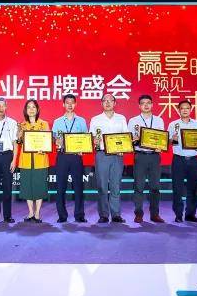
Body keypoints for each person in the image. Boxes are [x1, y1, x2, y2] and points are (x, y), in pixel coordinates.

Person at [89, 93, 128, 223]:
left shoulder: (121, 118)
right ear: (101, 103)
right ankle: (104, 215)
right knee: (102, 186)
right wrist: (94, 140)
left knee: (116, 185)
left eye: (110, 100)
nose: (107, 103)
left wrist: (123, 148)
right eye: (105, 100)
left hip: (117, 155)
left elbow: (125, 136)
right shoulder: (95, 119)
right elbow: (91, 137)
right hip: (102, 155)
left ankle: (116, 214)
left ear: (114, 103)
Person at [127, 94, 166, 223]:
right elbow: (129, 140)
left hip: (154, 156)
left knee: (155, 187)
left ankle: (155, 214)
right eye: (143, 103)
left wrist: (160, 146)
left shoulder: (159, 120)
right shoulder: (133, 121)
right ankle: (138, 214)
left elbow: (162, 139)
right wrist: (135, 140)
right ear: (139, 106)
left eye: (148, 103)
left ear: (152, 105)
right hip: (140, 156)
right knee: (139, 186)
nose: (146, 105)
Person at [52, 94, 88, 223]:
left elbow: (85, 138)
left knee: (78, 187)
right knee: (60, 187)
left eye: (72, 102)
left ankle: (79, 215)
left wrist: (82, 147)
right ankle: (62, 215)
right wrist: (56, 141)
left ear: (75, 104)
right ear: (63, 104)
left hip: (76, 157)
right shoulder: (57, 121)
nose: (70, 105)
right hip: (62, 156)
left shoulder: (81, 121)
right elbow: (54, 138)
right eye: (67, 102)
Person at [168, 100, 197, 223]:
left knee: (193, 189)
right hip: (179, 159)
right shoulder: (173, 124)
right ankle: (178, 214)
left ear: (191, 109)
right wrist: (172, 139)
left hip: (194, 159)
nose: (184, 110)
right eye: (182, 108)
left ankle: (190, 214)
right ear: (178, 110)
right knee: (177, 188)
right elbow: (168, 142)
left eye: (187, 108)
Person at [17, 99, 50, 223]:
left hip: (40, 159)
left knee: (39, 186)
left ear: (37, 109)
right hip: (25, 160)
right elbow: (18, 141)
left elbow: (47, 141)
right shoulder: (22, 125)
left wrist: (44, 148)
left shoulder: (44, 124)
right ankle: (31, 211)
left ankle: (37, 213)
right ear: (25, 110)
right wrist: (19, 133)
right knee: (27, 187)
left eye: (33, 107)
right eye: (29, 107)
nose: (31, 109)